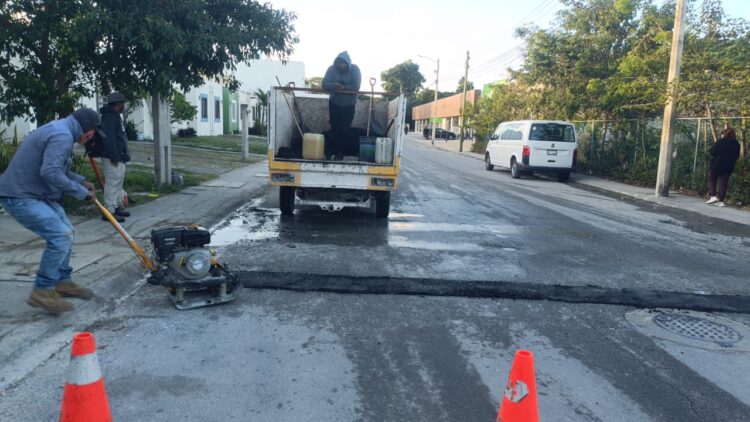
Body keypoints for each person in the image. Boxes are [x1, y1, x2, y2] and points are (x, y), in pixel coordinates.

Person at [0, 109, 103, 315]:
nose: (91, 139)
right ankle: (42, 290)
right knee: (60, 235)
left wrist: (81, 181)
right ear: (88, 130)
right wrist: (82, 193)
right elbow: (50, 172)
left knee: (68, 232)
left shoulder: (61, 130)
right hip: (21, 196)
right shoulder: (62, 136)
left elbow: (58, 169)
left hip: (36, 194)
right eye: (93, 134)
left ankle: (61, 282)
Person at [322, 51, 361, 160]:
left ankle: (340, 152)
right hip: (334, 103)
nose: (341, 65)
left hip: (349, 105)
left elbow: (356, 86)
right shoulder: (331, 69)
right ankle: (329, 152)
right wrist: (335, 85)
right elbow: (324, 84)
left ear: (347, 63)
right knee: (334, 127)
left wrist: (343, 88)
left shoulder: (355, 69)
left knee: (344, 129)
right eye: (339, 63)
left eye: (343, 63)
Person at [98, 92, 131, 222]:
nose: (124, 106)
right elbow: (108, 139)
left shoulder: (115, 116)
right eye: (122, 103)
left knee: (118, 181)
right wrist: (114, 156)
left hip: (118, 155)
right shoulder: (109, 117)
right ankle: (109, 211)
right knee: (112, 182)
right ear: (118, 104)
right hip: (112, 156)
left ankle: (116, 207)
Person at [706, 127, 741, 207]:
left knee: (711, 179)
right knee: (723, 183)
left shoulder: (720, 142)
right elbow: (737, 155)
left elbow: (712, 152)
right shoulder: (736, 144)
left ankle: (713, 196)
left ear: (724, 134)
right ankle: (721, 201)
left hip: (717, 164)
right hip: (729, 166)